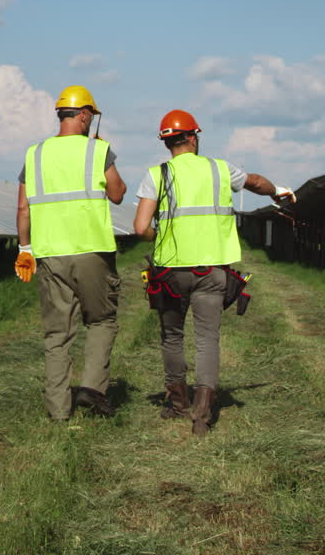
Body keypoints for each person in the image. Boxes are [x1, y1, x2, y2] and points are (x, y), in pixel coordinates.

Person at [132, 109, 295, 435]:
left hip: (170, 273)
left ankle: (178, 403)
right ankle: (202, 415)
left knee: (172, 336)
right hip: (212, 270)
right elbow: (257, 183)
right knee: (208, 339)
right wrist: (278, 190)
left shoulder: (157, 174)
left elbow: (140, 227)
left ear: (167, 144)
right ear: (193, 137)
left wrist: (158, 235)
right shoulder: (220, 170)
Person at [15, 85, 127, 421]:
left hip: (50, 254)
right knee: (102, 320)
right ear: (85, 115)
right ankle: (92, 390)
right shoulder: (98, 151)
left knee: (57, 334)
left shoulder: (34, 155)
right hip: (93, 251)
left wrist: (24, 249)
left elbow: (23, 208)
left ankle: (58, 413)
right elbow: (118, 194)